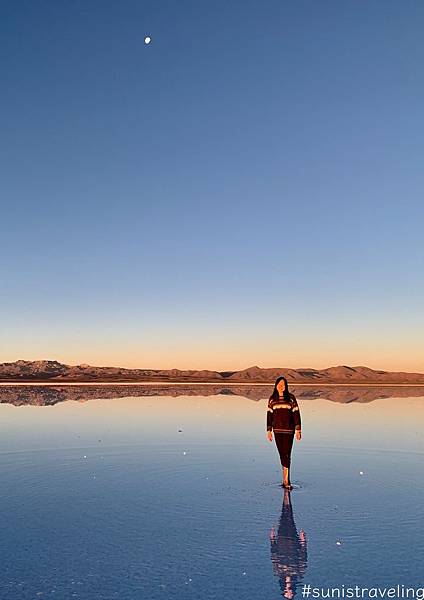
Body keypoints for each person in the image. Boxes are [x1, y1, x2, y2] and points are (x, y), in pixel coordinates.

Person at [266, 376, 302, 489]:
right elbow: (269, 415)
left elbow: (296, 414)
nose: (282, 387)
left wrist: (298, 430)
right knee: (281, 454)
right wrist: (269, 430)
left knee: (287, 454)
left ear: (286, 387)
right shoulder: (272, 399)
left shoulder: (291, 398)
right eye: (280, 384)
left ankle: (287, 480)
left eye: (284, 385)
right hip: (277, 430)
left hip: (289, 431)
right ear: (276, 385)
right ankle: (284, 479)